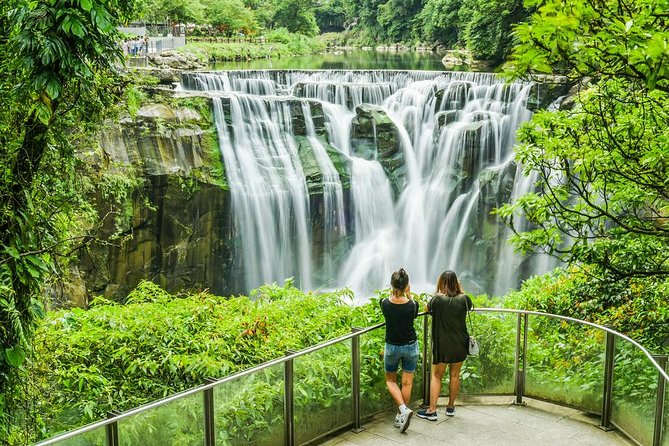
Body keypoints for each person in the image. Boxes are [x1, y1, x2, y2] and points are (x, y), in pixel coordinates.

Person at [417, 270, 473, 421]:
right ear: (456, 282)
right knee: (455, 375)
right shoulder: (464, 299)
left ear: (441, 282)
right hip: (460, 343)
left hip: (442, 344)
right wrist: (460, 289)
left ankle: (432, 410)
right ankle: (450, 407)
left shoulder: (437, 300)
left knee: (437, 376)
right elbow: (469, 305)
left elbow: (426, 309)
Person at [381, 268, 419, 433]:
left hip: (392, 347)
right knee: (407, 382)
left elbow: (390, 304)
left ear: (391, 285)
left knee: (390, 380)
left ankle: (403, 410)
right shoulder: (412, 305)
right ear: (406, 286)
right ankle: (401, 414)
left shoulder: (384, 303)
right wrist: (409, 295)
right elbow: (414, 312)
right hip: (411, 346)